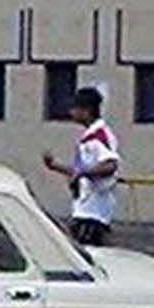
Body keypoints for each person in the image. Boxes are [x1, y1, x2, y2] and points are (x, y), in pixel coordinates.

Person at [42, 86, 121, 247]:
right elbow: (81, 170)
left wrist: (82, 173)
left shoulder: (98, 137)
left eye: (75, 108)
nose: (71, 113)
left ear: (87, 110)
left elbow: (110, 165)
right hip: (83, 208)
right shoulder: (88, 137)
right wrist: (55, 166)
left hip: (94, 212)